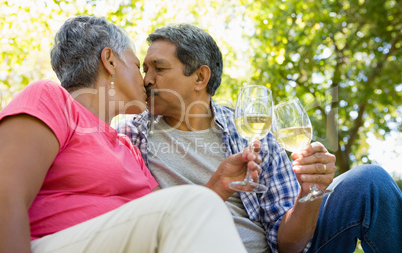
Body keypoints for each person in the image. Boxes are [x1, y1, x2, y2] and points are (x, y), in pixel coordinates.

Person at [116, 23, 402, 253]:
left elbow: (289, 244)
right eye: (145, 69)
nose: (147, 79)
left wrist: (309, 192)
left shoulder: (252, 133)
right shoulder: (130, 134)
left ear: (200, 78)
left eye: (159, 68)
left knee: (371, 180)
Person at [0, 15, 265, 253]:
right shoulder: (51, 100)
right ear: (110, 60)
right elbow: (6, 194)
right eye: (139, 67)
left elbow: (165, 217)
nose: (146, 80)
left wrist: (217, 185)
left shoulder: (126, 145)